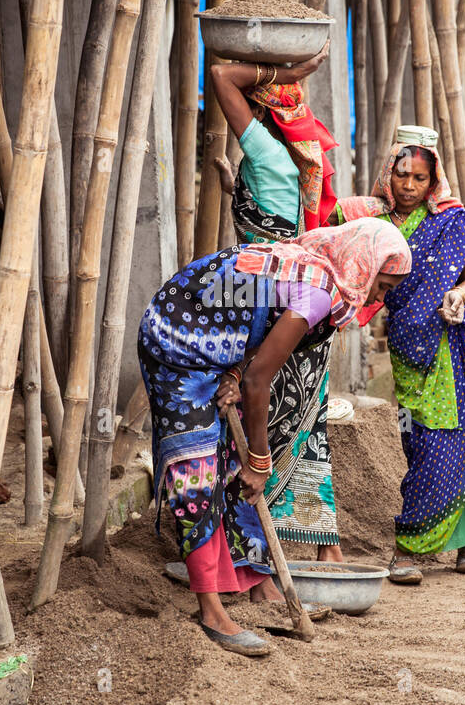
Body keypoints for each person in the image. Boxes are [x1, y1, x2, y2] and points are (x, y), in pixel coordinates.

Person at [138, 220, 411, 655]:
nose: (381, 296)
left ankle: (252, 582)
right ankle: (210, 611)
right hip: (177, 341)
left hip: (213, 344)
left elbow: (249, 321)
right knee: (198, 473)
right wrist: (260, 461)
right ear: (364, 263)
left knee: (230, 464)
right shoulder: (317, 290)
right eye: (383, 283)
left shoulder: (320, 277)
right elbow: (259, 381)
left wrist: (233, 369)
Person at [334, 126, 465, 584]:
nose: (410, 186)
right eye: (403, 176)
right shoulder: (373, 221)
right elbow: (328, 223)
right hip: (410, 347)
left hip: (460, 342)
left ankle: (449, 546)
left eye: (420, 178)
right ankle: (422, 535)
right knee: (421, 442)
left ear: (433, 180)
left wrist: (458, 293)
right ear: (389, 175)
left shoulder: (452, 222)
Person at [209, 42, 348, 560]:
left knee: (257, 415)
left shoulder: (267, 152)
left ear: (259, 108)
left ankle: (247, 548)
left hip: (267, 305)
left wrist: (292, 69)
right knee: (309, 423)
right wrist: (234, 184)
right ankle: (321, 545)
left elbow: (222, 73)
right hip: (304, 305)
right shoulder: (286, 163)